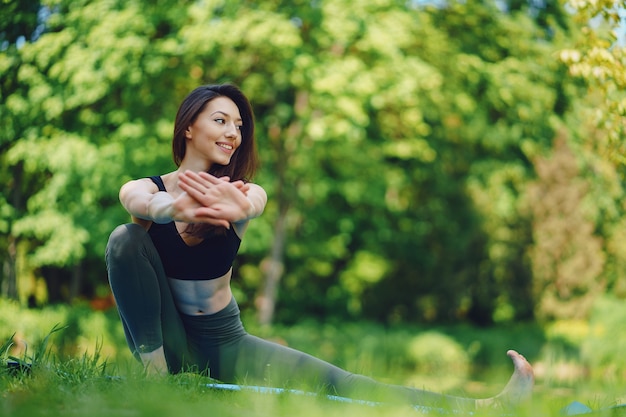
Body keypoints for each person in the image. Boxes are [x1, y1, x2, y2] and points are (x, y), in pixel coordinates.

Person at [105, 83, 534, 411]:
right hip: (167, 339)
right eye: (221, 121)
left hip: (224, 341)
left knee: (347, 386)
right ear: (188, 127)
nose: (233, 133)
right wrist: (173, 206)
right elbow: (138, 201)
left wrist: (237, 205)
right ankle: (155, 380)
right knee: (125, 238)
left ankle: (485, 407)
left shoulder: (242, 192)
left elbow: (254, 203)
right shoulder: (148, 189)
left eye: (238, 126)